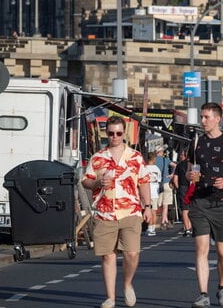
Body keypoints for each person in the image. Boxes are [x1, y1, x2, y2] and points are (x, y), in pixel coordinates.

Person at [81, 116, 153, 308]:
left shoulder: (135, 157)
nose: (115, 136)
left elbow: (144, 181)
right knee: (108, 255)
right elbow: (86, 181)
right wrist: (97, 182)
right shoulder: (98, 158)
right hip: (105, 212)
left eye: (119, 133)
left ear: (124, 134)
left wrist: (148, 206)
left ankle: (127, 284)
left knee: (132, 253)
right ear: (107, 134)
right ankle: (110, 297)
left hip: (130, 210)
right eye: (111, 133)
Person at [186, 103, 223, 308]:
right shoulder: (196, 142)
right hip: (200, 202)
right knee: (201, 249)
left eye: (206, 117)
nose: (203, 121)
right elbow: (188, 171)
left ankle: (222, 288)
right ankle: (203, 294)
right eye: (202, 117)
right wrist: (190, 175)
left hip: (222, 202)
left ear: (218, 119)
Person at [172, 150, 193, 237]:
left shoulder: (179, 165)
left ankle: (187, 228)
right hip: (192, 187)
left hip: (183, 187)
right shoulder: (194, 164)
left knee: (184, 209)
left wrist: (178, 188)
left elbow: (175, 179)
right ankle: (191, 227)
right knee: (192, 208)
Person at [155, 146, 175, 230]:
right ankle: (164, 221)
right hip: (166, 182)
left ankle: (163, 220)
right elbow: (175, 165)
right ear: (161, 152)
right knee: (165, 204)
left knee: (158, 204)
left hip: (157, 184)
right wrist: (172, 174)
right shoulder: (165, 160)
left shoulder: (154, 160)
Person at [144, 153, 162, 236]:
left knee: (148, 209)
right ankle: (153, 228)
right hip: (155, 191)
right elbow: (159, 180)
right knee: (154, 210)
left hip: (147, 191)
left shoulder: (145, 168)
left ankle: (149, 227)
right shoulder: (157, 169)